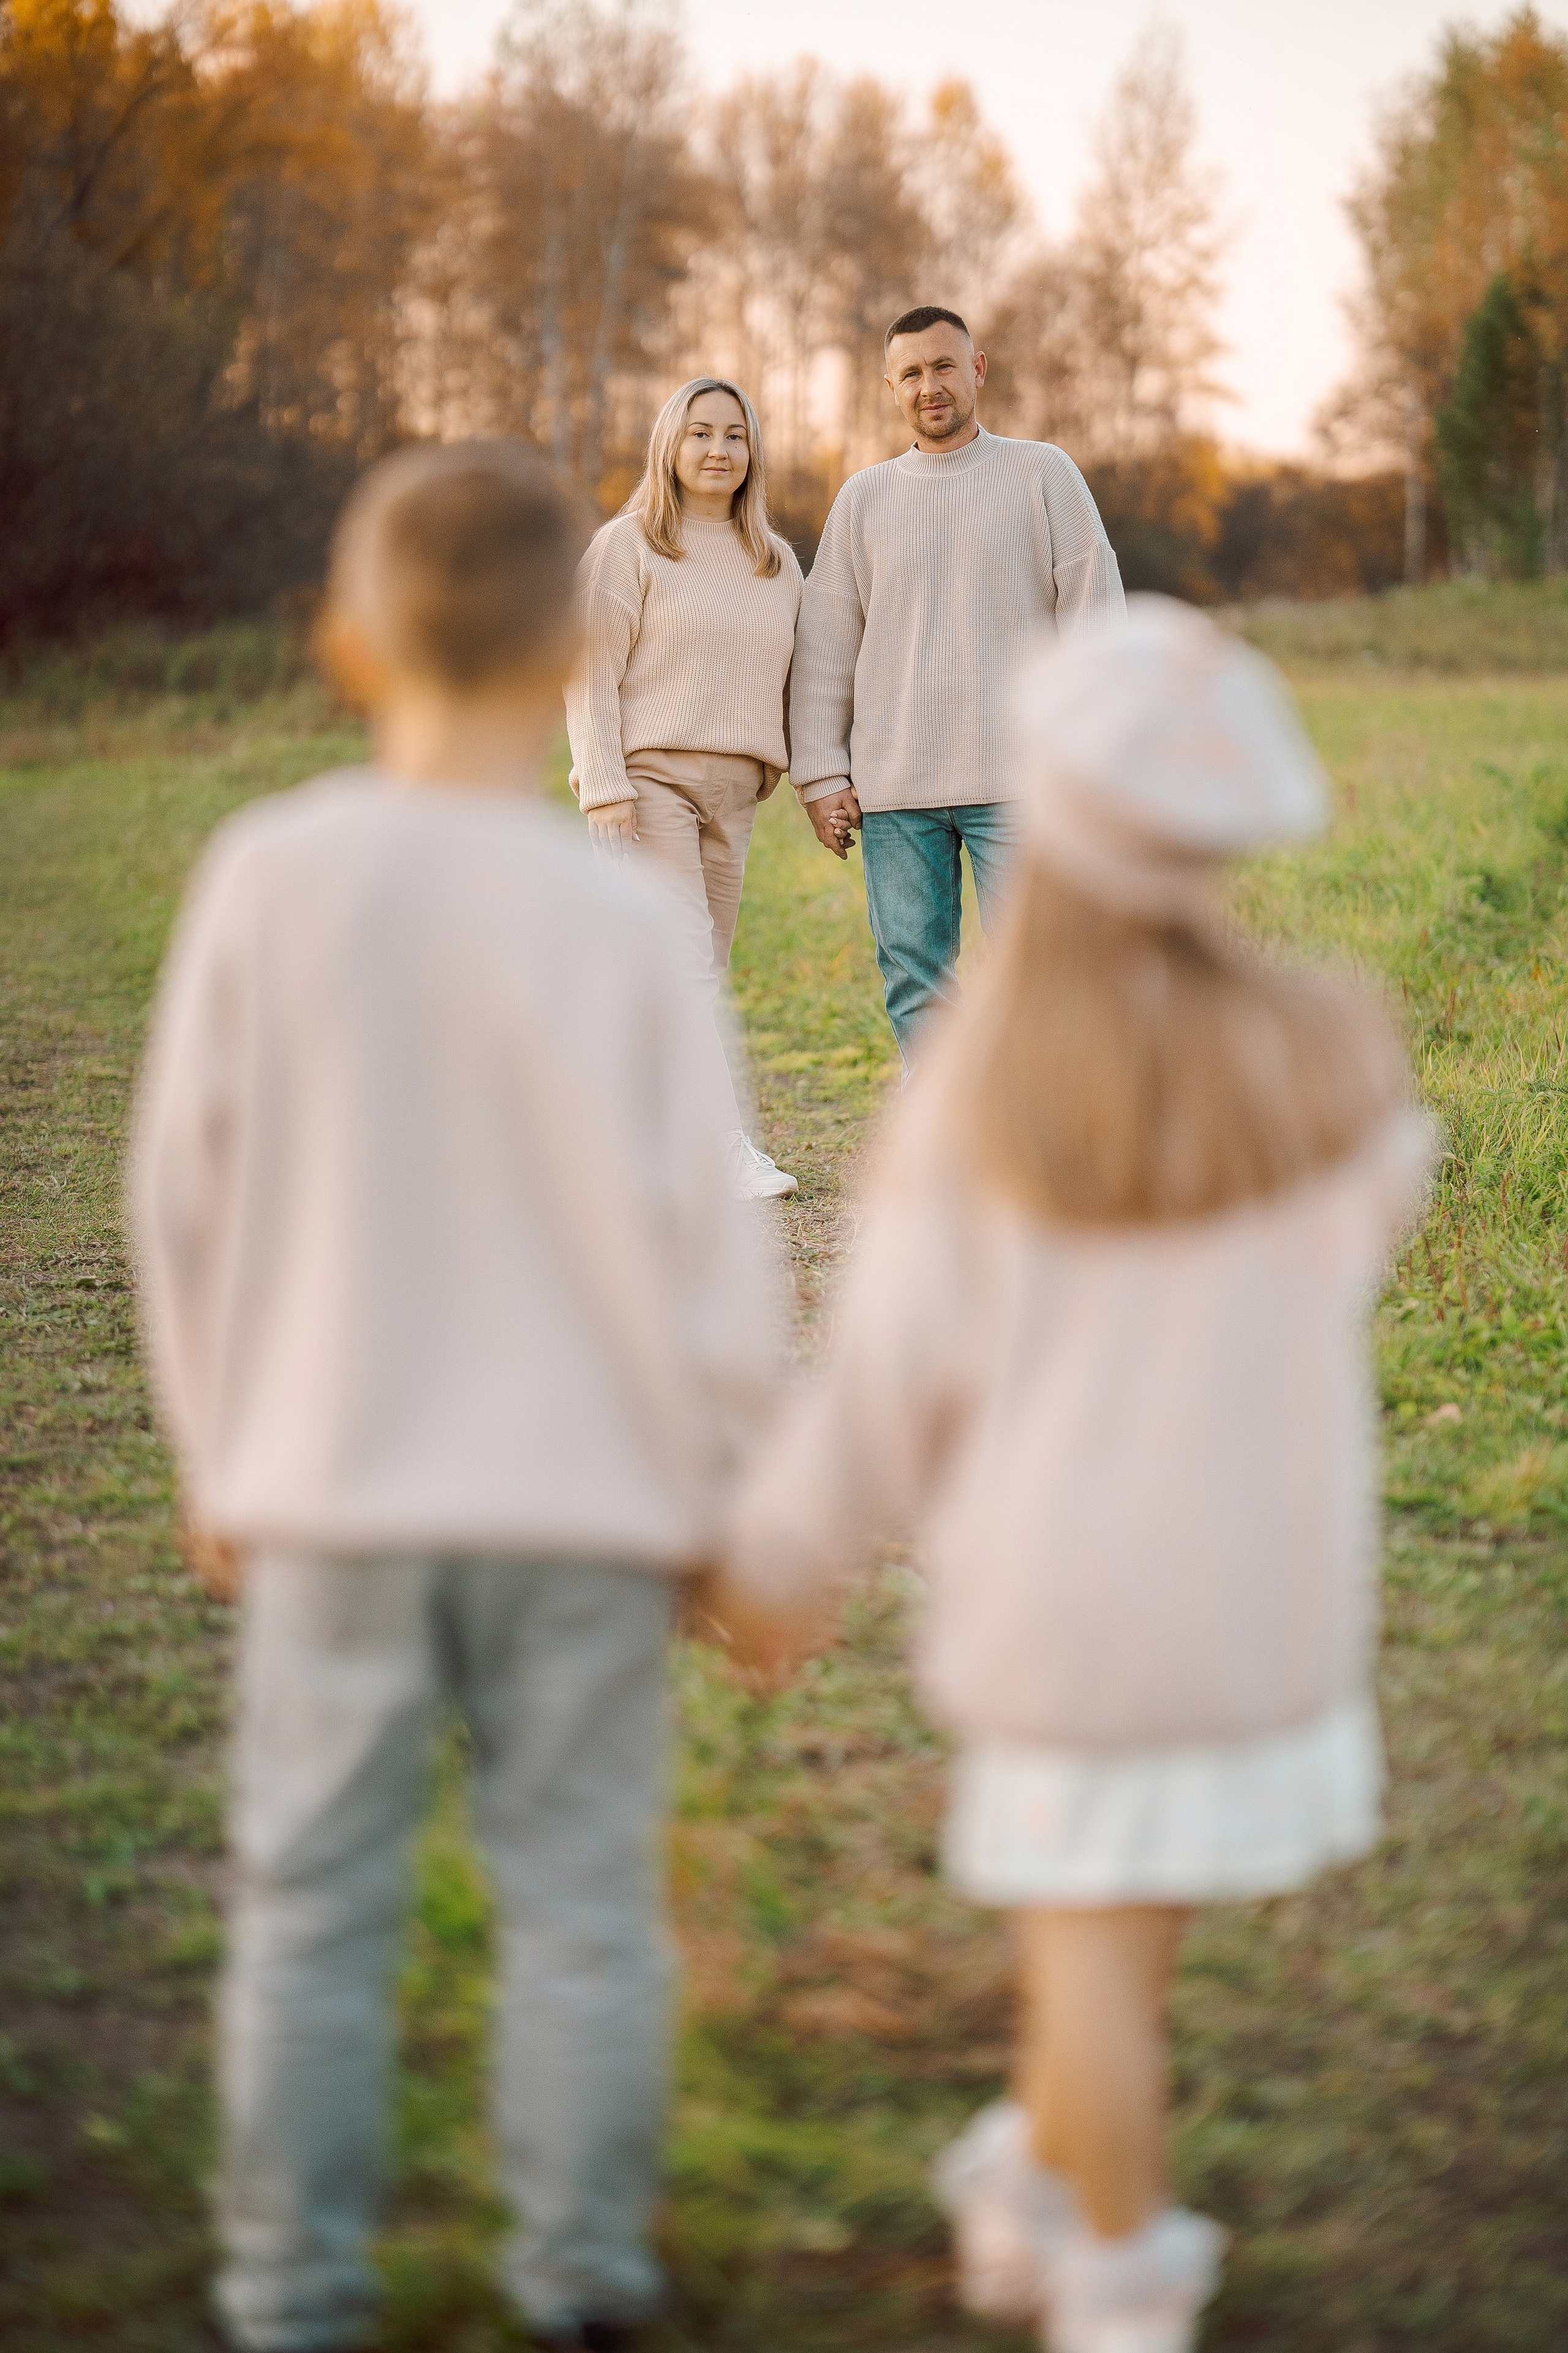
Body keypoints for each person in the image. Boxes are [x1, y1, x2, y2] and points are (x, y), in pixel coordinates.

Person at [715, 600, 1436, 2353]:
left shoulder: (987, 1089)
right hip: (1256, 1603)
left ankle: (1114, 2284)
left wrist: (784, 1553)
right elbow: (1371, 1217)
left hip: (1070, 1622)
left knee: (1091, 1968)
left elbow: (883, 1380)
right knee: (1120, 1949)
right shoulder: (1324, 1058)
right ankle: (1034, 2178)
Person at [130, 440, 780, 2353]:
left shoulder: (272, 874)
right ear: (582, 631)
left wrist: (213, 1437)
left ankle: (287, 2287)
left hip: (331, 1477)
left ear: (346, 641)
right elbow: (708, 1230)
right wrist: (722, 1477)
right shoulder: (628, 926)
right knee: (583, 1894)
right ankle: (582, 2273)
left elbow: (184, 1195)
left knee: (313, 1901)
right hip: (587, 1501)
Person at [789, 303, 1126, 1068]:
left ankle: (1042, 1155)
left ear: (977, 368)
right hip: (896, 786)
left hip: (1022, 783)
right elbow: (824, 648)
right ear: (890, 387)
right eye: (910, 373)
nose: (928, 385)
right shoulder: (863, 499)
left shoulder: (1043, 473)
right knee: (914, 981)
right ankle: (946, 1154)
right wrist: (819, 773)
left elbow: (1096, 621)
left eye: (943, 365)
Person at [566, 374, 802, 1199]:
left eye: (734, 435)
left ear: (752, 452)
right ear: (671, 444)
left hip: (736, 791)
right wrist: (604, 785)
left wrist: (818, 778)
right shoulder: (628, 546)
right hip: (649, 780)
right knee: (686, 964)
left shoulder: (777, 563)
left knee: (689, 972)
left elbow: (801, 685)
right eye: (700, 432)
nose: (718, 450)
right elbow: (589, 670)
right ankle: (722, 1149)